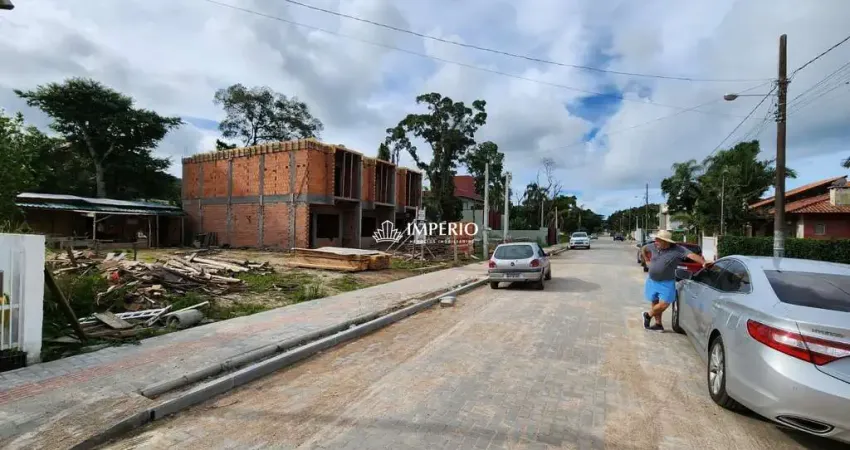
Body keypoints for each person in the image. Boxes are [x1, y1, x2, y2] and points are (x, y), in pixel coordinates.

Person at [641, 230, 710, 331]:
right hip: (652, 280)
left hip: (666, 282)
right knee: (655, 301)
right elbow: (644, 249)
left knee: (664, 304)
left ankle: (648, 315)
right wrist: (647, 260)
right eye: (656, 239)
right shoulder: (653, 246)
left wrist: (703, 263)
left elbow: (691, 255)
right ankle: (658, 324)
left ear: (666, 241)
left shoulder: (678, 249)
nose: (656, 242)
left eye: (658, 240)